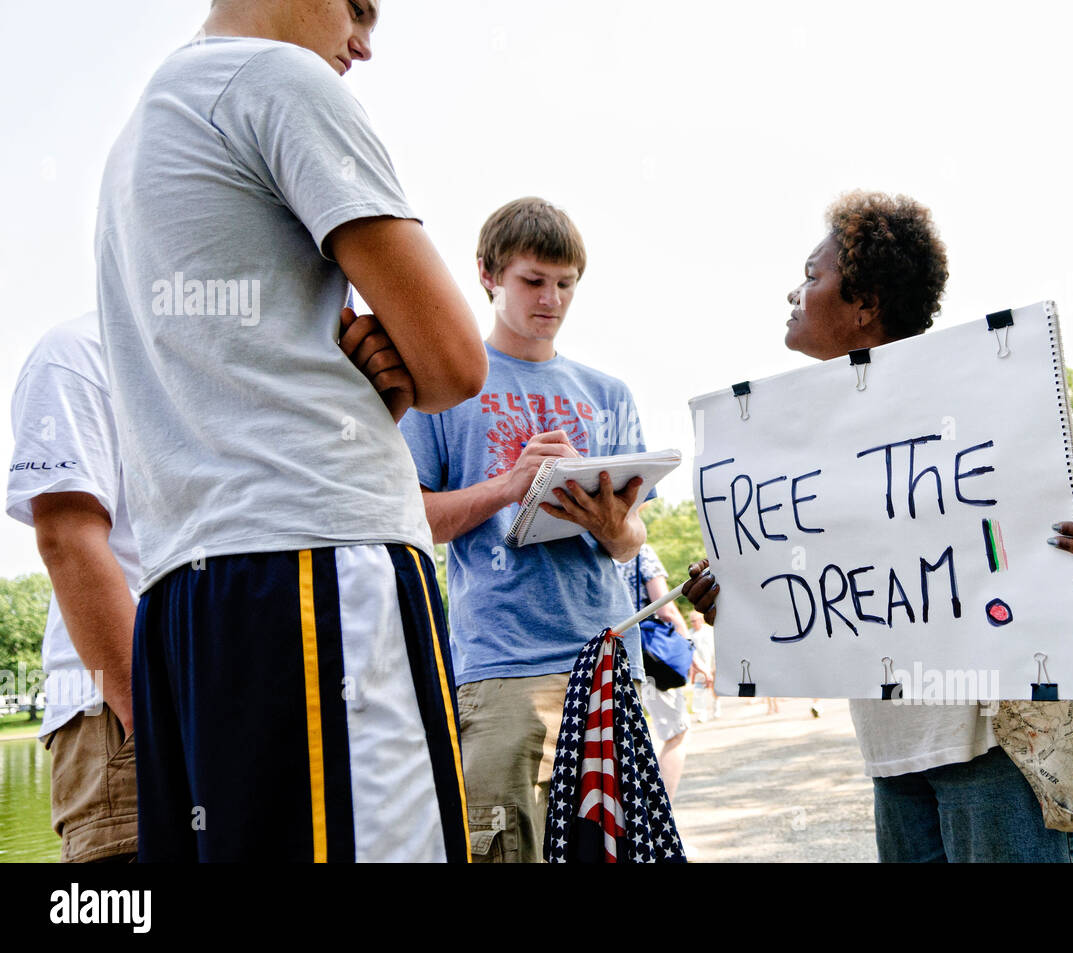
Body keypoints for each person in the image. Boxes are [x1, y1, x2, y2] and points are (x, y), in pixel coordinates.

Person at [95, 0, 488, 861]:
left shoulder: (136, 140)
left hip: (182, 599)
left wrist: (360, 393)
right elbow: (458, 364)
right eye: (359, 8)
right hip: (316, 567)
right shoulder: (275, 79)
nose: (365, 44)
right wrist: (403, 371)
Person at [683, 191, 1073, 862]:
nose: (794, 292)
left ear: (865, 304)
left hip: (1001, 747)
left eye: (812, 274)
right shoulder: (795, 440)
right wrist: (741, 596)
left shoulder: (971, 387)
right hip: (893, 754)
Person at [399, 197, 650, 863]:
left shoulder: (608, 393)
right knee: (505, 849)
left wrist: (613, 526)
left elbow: (632, 543)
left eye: (566, 284)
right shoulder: (445, 386)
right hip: (504, 669)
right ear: (487, 274)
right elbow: (410, 518)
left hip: (606, 661)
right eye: (533, 281)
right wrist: (510, 486)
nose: (552, 300)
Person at [6, 313, 140, 862]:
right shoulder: (80, 349)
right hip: (120, 709)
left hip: (238, 702)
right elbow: (65, 537)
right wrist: (152, 714)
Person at [616, 541, 699, 801]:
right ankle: (661, 824)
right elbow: (666, 608)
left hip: (608, 655)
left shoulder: (592, 549)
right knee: (676, 733)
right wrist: (688, 649)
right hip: (648, 655)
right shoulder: (639, 550)